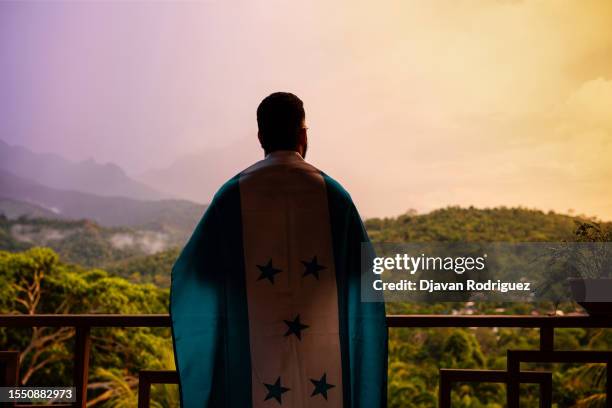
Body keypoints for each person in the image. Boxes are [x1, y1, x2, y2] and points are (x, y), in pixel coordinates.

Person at [170, 92, 387, 408]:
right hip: (324, 367)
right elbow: (364, 277)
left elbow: (195, 273)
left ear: (260, 136)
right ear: (303, 134)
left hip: (252, 360)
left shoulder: (232, 196)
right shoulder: (334, 196)